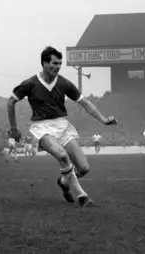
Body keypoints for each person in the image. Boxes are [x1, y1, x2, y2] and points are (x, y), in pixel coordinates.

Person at [7, 46, 117, 208]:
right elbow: (11, 101)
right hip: (42, 127)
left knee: (84, 168)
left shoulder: (64, 83)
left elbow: (85, 103)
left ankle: (64, 181)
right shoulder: (30, 83)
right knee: (63, 156)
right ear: (44, 63)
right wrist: (14, 128)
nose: (58, 67)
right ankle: (82, 197)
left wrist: (104, 119)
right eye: (54, 63)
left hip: (62, 125)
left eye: (60, 63)